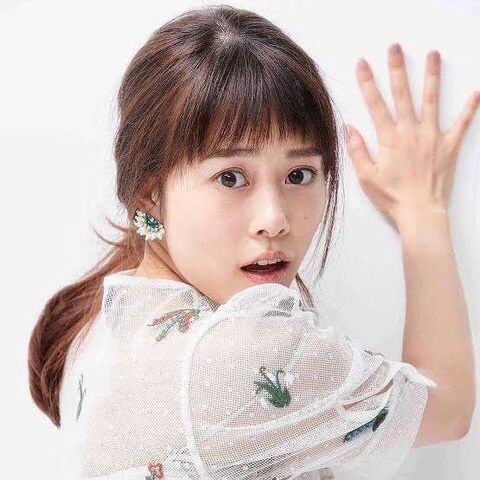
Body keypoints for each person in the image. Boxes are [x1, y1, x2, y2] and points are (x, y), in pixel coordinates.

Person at [27, 5, 477, 480]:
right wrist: (423, 212)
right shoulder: (240, 355)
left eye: (299, 174)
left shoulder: (93, 328)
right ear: (149, 193)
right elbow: (448, 407)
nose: (274, 220)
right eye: (231, 177)